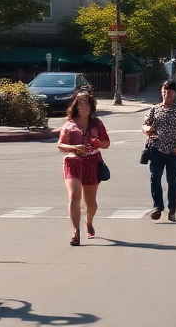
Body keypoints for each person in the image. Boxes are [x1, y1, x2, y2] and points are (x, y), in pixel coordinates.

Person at [57, 89, 109, 245]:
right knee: (74, 196)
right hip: (72, 162)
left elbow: (106, 143)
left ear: (91, 106)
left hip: (92, 162)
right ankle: (76, 232)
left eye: (86, 103)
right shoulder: (69, 125)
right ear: (75, 106)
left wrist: (98, 143)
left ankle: (89, 222)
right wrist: (74, 148)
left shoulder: (97, 124)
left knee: (91, 202)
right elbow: (60, 145)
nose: (83, 106)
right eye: (80, 103)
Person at [142, 80, 176, 221]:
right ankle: (158, 207)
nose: (166, 94)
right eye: (164, 91)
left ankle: (172, 208)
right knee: (155, 178)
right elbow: (145, 124)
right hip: (156, 149)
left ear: (175, 94)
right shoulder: (155, 109)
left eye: (169, 92)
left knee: (172, 181)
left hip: (173, 152)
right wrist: (146, 129)